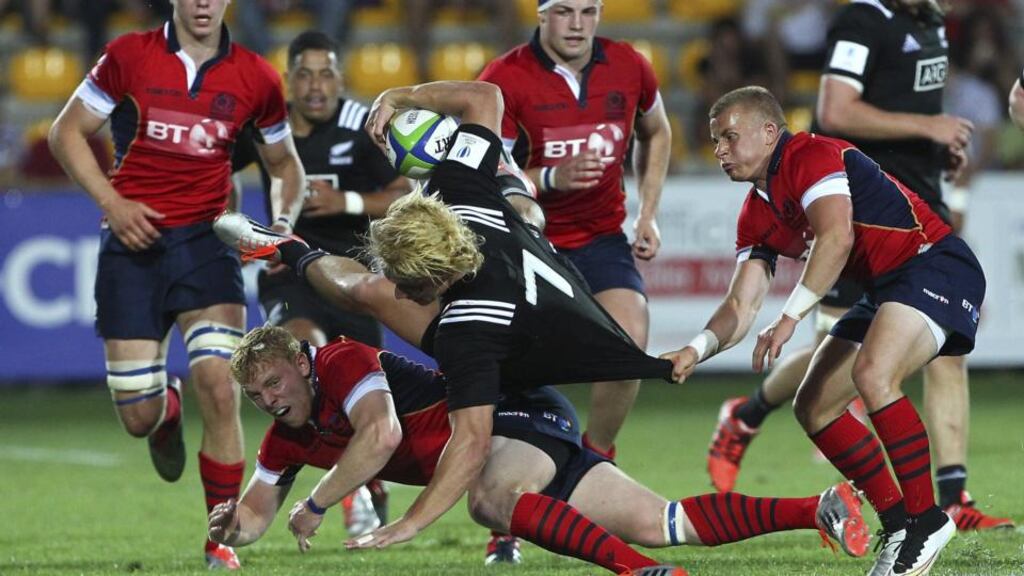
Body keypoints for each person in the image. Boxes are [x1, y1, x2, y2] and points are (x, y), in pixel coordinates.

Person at [212, 79, 681, 552]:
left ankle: (593, 458)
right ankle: (293, 249)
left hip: (510, 315)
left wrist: (400, 98)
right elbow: (485, 99)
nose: (268, 399)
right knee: (378, 290)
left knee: (499, 239)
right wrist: (402, 100)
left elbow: (493, 120)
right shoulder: (461, 175)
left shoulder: (470, 184)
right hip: (494, 298)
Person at [702, 0, 1013, 533]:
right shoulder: (864, 21)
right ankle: (749, 413)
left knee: (930, 351)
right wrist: (928, 126)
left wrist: (935, 149)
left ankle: (947, 499)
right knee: (837, 356)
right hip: (846, 202)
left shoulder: (930, 21)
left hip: (908, 199)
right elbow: (837, 109)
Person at [207, 326, 869, 575]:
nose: (267, 399)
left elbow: (379, 436)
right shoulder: (287, 433)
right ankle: (820, 508)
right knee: (664, 523)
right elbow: (263, 507)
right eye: (256, 394)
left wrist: (320, 502)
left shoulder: (344, 361)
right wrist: (235, 524)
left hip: (510, 413)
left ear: (301, 361)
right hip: (517, 435)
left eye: (273, 382)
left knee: (490, 501)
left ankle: (638, 574)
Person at [661, 86, 986, 576]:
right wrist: (695, 348)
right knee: (812, 405)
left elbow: (836, 237)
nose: (720, 151)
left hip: (934, 265)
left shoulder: (811, 153)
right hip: (884, 288)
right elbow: (740, 304)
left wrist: (789, 318)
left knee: (876, 376)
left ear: (770, 132)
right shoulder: (755, 211)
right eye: (715, 142)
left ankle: (926, 518)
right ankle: (898, 523)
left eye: (729, 137)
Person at [47, 0, 306, 568]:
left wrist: (281, 229)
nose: (204, 3)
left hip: (206, 245)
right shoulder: (128, 55)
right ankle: (164, 411)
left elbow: (285, 165)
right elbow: (66, 133)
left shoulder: (257, 76)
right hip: (132, 247)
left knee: (219, 383)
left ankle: (220, 540)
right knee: (137, 417)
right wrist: (112, 204)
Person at [231, 29, 412, 536]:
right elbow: (219, 171)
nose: (316, 85)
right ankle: (347, 492)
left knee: (354, 391)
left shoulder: (360, 125)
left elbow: (405, 191)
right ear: (289, 80)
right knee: (301, 354)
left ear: (340, 78)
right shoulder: (268, 127)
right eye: (305, 74)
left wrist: (347, 203)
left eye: (326, 72)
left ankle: (369, 483)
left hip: (352, 276)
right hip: (287, 274)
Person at [477, 0, 672, 466]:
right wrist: (548, 179)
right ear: (541, 14)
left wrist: (648, 213)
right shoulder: (503, 79)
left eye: (589, 11)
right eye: (565, 11)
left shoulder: (630, 65)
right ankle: (504, 524)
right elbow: (486, 168)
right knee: (509, 370)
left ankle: (595, 461)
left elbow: (658, 131)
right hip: (525, 242)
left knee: (629, 346)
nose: (578, 24)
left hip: (601, 239)